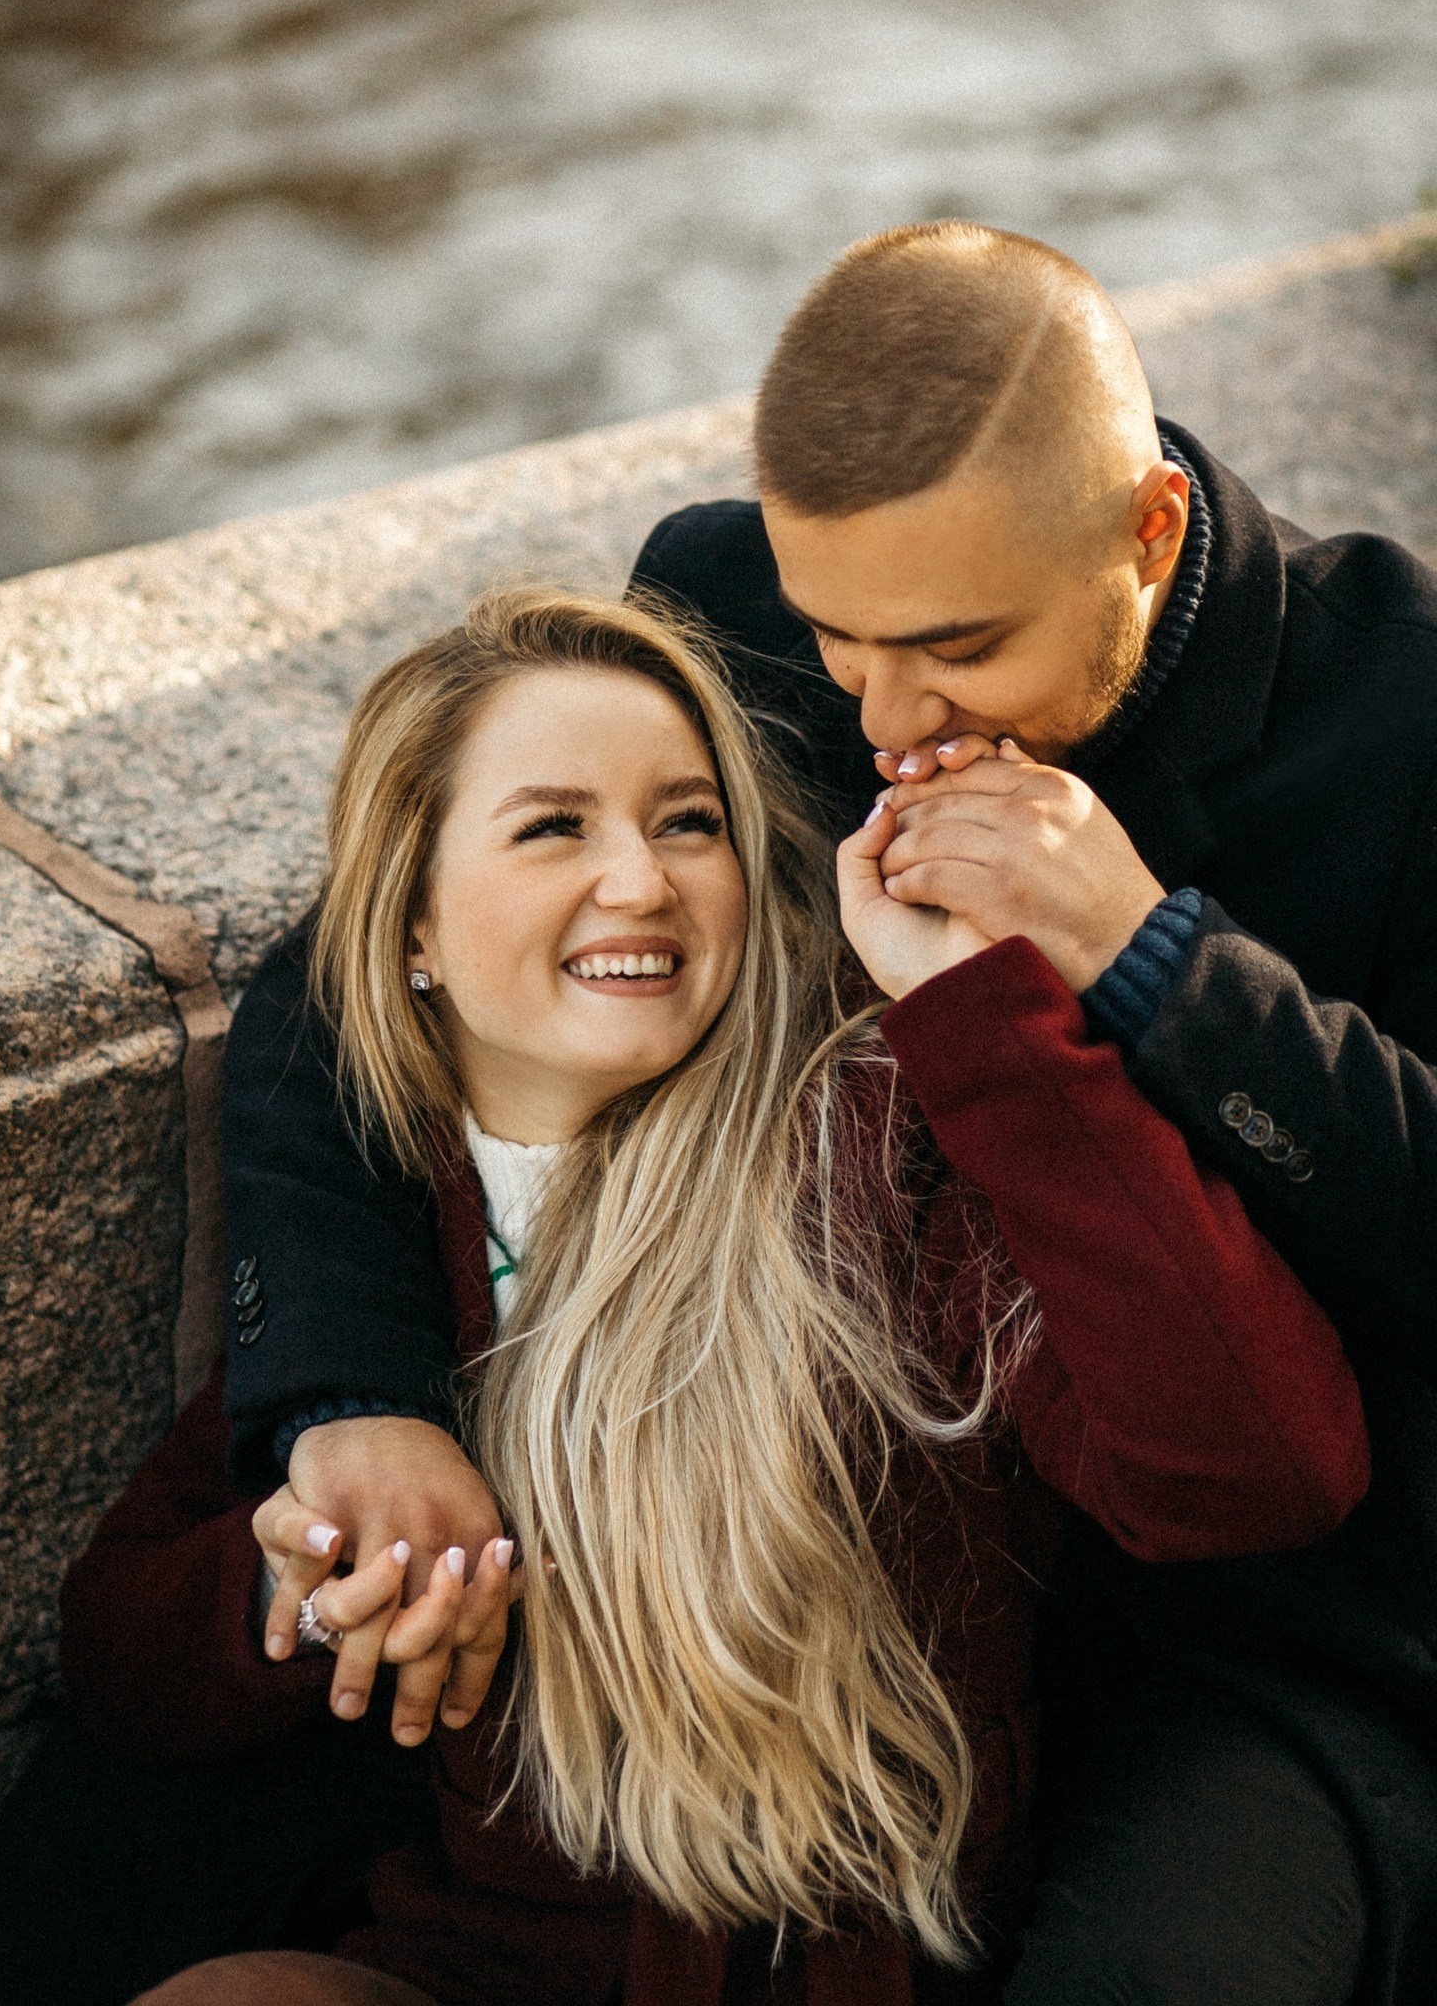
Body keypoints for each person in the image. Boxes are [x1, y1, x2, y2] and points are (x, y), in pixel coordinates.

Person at [221, 224, 1437, 2006]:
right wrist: (352, 1398)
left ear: (1149, 531)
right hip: (891, 1577)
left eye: (955, 650)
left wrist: (1158, 959)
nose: (885, 716)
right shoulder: (727, 601)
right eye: (838, 641)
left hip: (1258, 1633)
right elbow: (338, 981)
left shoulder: (1400, 705)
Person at [69, 584, 1365, 2006]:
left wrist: (990, 1027)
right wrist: (316, 1587)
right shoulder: (378, 1259)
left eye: (689, 822)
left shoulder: (887, 1161)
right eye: (554, 827)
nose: (641, 882)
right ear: (411, 927)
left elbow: (1259, 1473)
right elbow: (117, 1661)